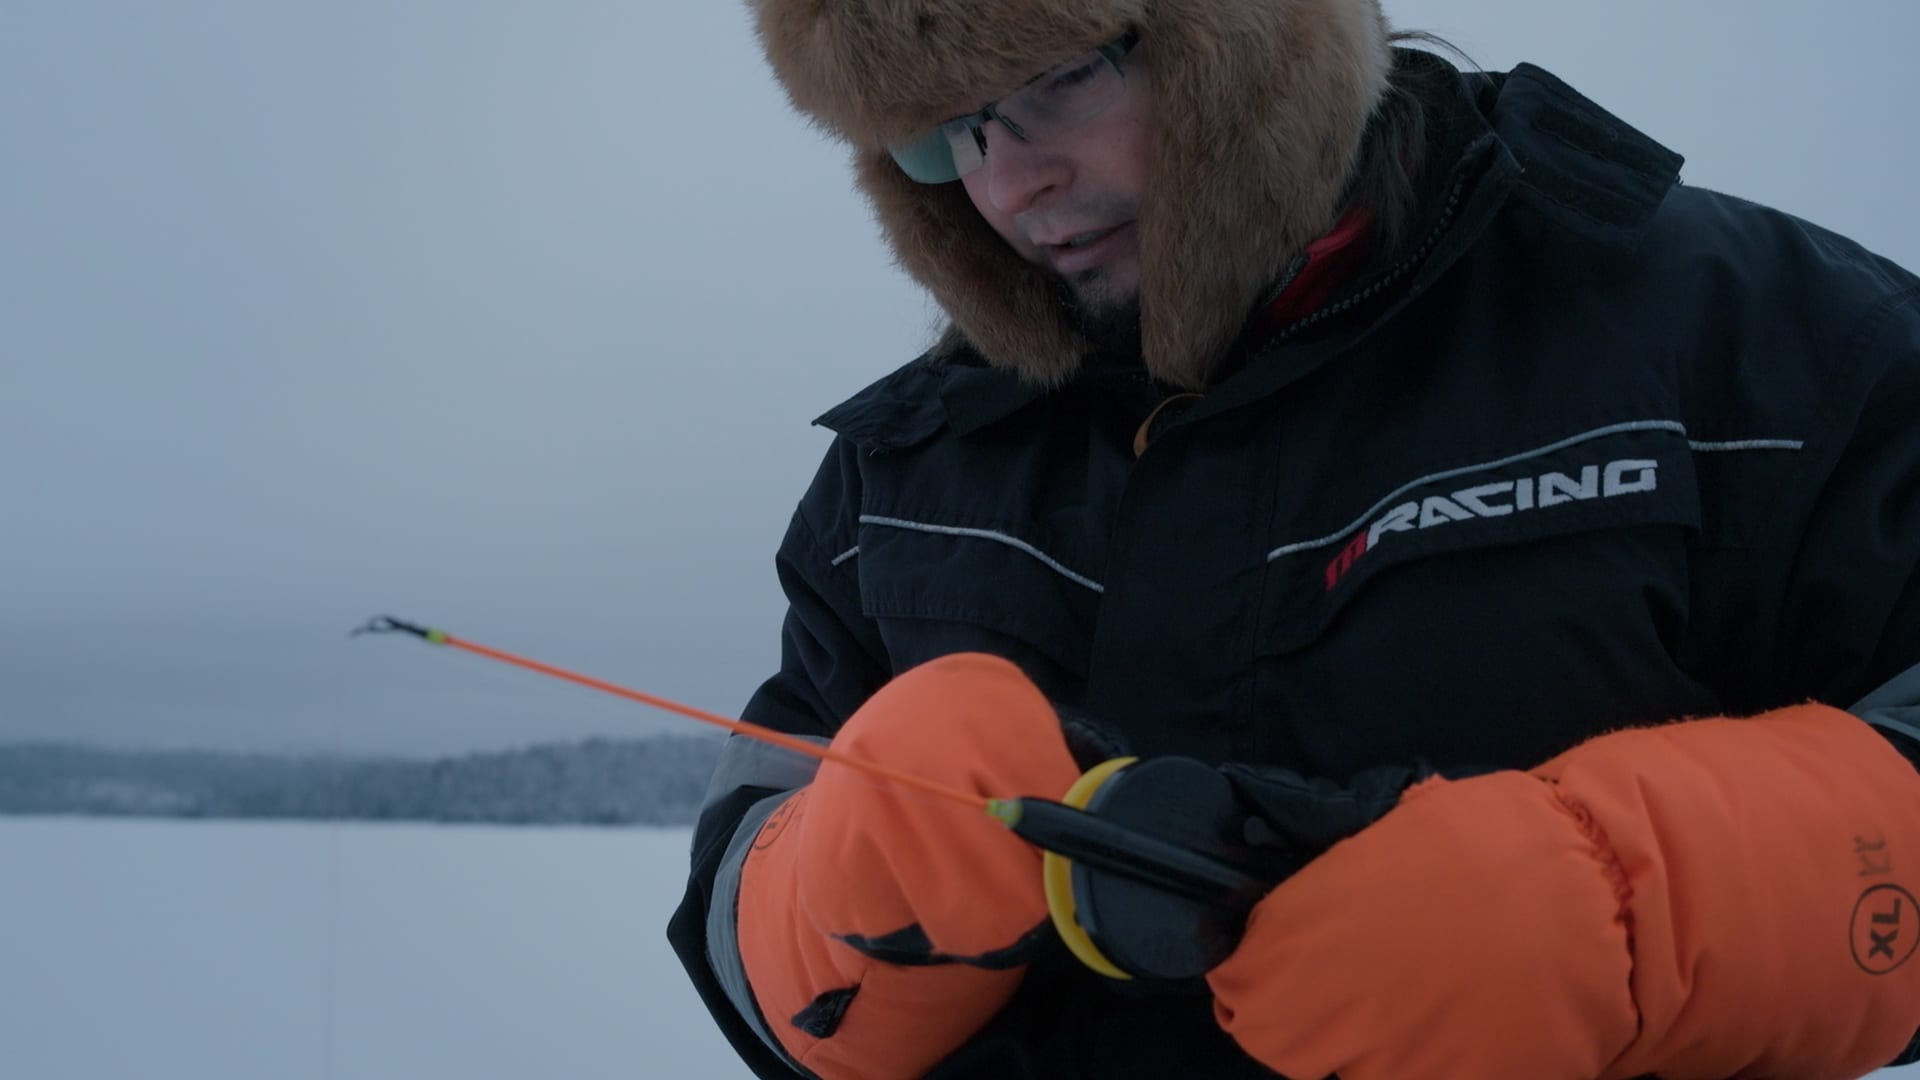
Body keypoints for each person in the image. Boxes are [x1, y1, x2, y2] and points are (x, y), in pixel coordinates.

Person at [668, 0, 1920, 1076]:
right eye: (946, 131)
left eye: (1058, 78)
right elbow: (739, 894)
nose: (1006, 187)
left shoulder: (1745, 335)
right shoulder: (901, 470)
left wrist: (1631, 913)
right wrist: (831, 899)